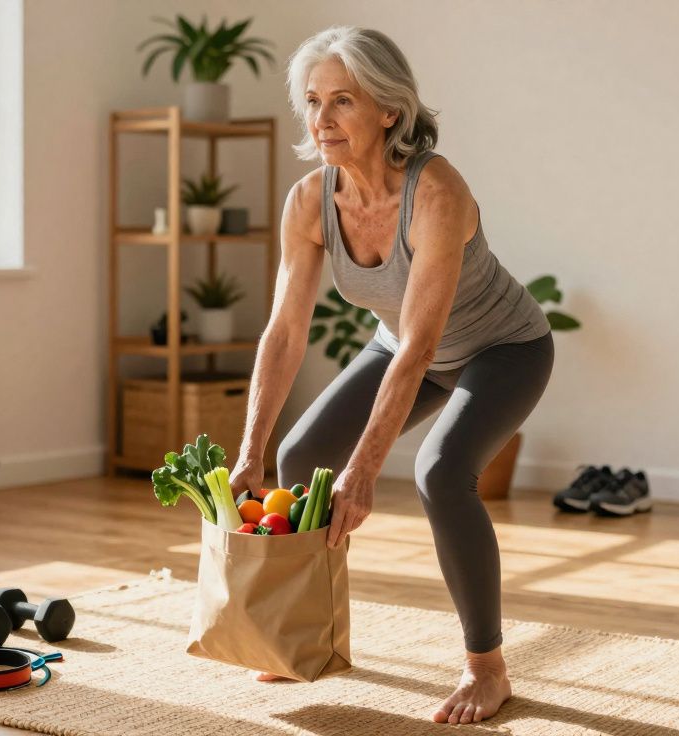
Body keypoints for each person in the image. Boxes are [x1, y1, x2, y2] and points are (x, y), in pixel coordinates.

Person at [228, 26, 554, 725]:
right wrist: (250, 449)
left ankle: (487, 668)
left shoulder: (435, 191)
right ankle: (304, 632)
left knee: (442, 472)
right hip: (401, 345)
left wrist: (366, 468)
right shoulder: (310, 202)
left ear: (389, 110)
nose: (321, 118)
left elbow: (422, 346)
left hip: (503, 347)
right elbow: (285, 332)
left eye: (342, 100)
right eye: (313, 100)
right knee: (300, 457)